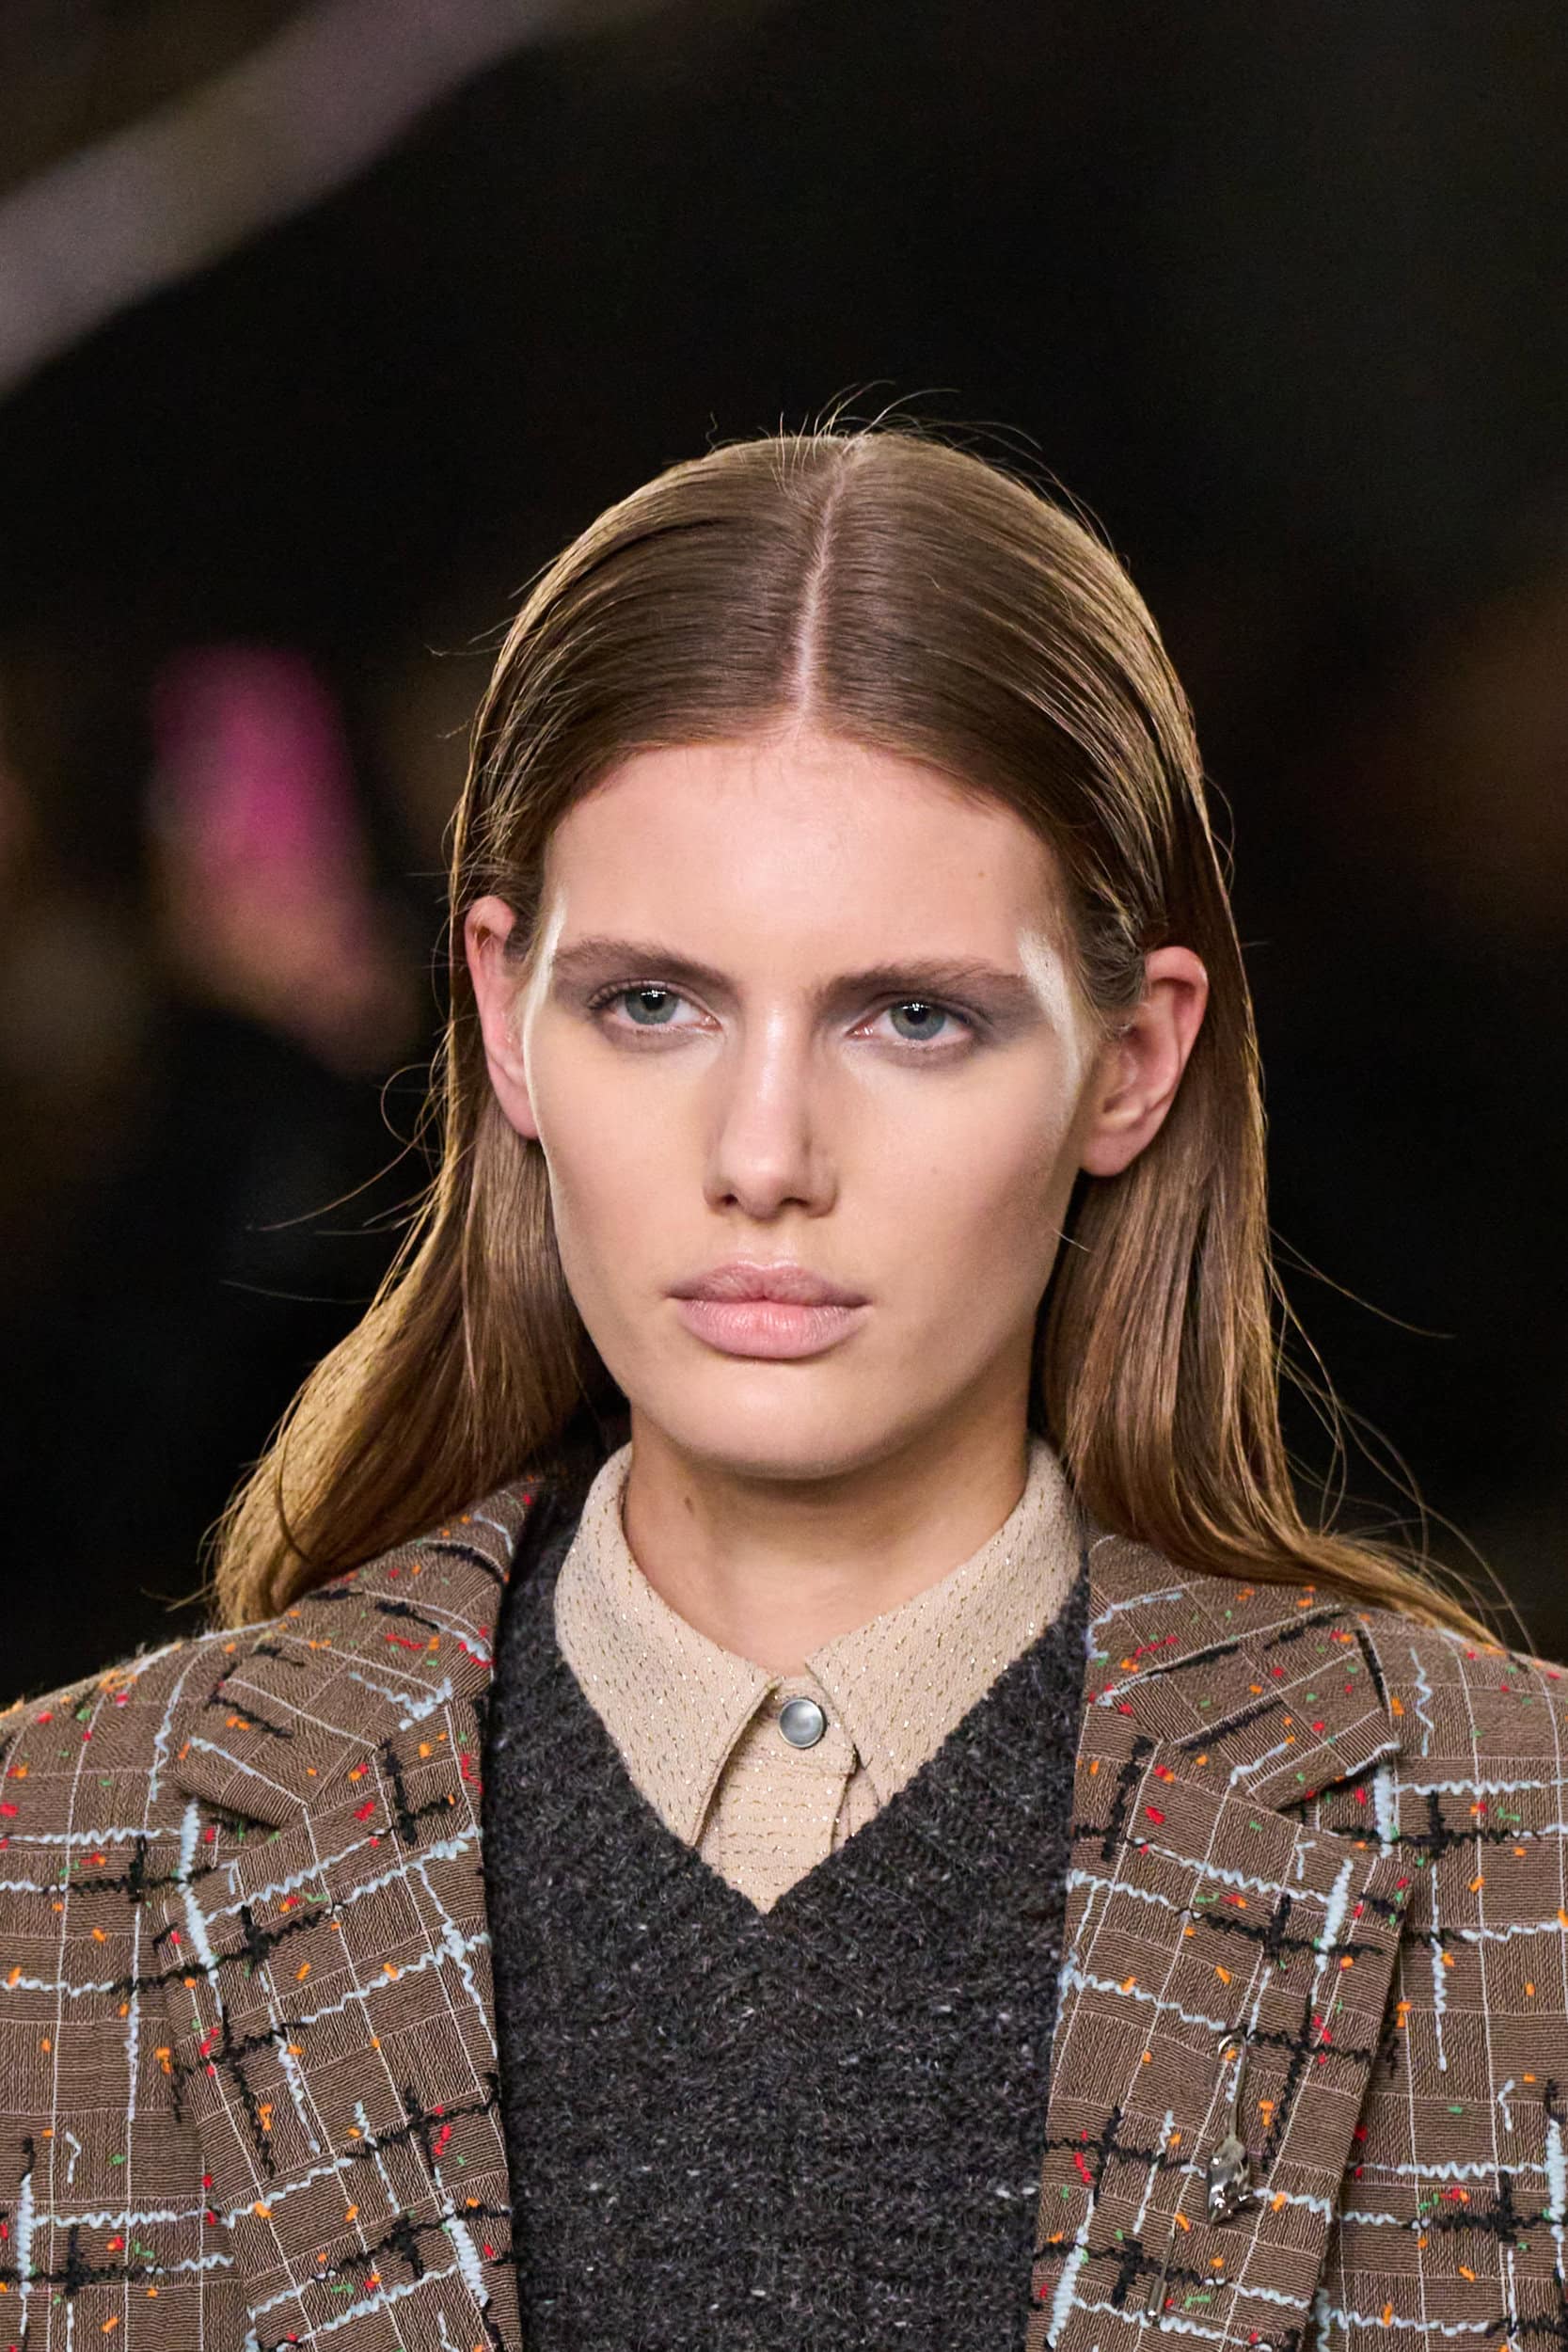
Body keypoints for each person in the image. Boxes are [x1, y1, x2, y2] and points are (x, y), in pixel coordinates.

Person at [1, 422, 1560, 2352]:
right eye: (652, 1002)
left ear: (1133, 1061)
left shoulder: (1517, 1863)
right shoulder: (64, 1869)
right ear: (505, 1016)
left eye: (912, 1015)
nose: (764, 1154)